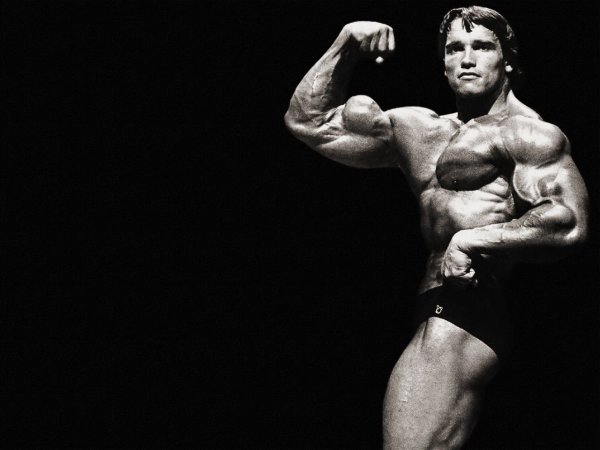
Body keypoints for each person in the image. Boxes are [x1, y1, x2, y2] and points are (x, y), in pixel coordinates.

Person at [283, 5, 589, 449]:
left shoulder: (527, 134)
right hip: (433, 306)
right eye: (454, 49)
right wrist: (345, 43)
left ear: (507, 60)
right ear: (443, 63)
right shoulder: (419, 130)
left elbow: (568, 222)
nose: (467, 58)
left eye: (482, 47)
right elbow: (308, 122)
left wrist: (472, 239)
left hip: (467, 312)